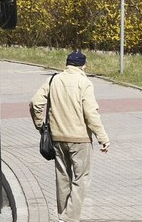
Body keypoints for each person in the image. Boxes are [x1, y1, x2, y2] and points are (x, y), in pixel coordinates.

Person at [29, 50, 110, 222]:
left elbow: (35, 102)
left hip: (57, 137)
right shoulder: (84, 83)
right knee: (81, 179)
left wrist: (39, 126)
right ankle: (69, 218)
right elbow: (91, 113)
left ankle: (62, 216)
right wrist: (102, 137)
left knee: (62, 178)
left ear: (66, 64)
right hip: (80, 139)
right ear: (83, 65)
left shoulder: (53, 80)